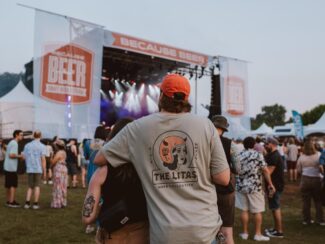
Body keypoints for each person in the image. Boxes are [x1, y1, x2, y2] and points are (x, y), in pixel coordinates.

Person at [93, 74, 230, 243]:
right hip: (205, 229)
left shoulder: (138, 128)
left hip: (166, 233)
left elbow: (99, 159)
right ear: (187, 99)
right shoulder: (205, 125)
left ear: (161, 96)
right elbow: (223, 178)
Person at [83, 118, 149, 244]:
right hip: (144, 233)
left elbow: (87, 218)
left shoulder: (102, 172)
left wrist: (100, 208)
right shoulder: (147, 169)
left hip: (113, 234)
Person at [235, 136, 275, 242]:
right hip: (255, 186)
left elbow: (235, 170)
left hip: (241, 186)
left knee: (244, 210)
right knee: (257, 211)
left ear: (244, 144)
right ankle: (257, 234)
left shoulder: (238, 155)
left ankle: (244, 233)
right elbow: (265, 170)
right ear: (254, 145)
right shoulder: (258, 155)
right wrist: (270, 184)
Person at [211, 115, 240, 244]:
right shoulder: (230, 144)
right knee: (227, 231)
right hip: (225, 190)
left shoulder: (202, 142)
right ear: (224, 129)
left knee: (208, 231)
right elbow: (238, 168)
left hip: (206, 189)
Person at [297, 140, 324, 225]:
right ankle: (320, 220)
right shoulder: (319, 155)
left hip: (305, 179)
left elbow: (299, 169)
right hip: (316, 179)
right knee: (318, 201)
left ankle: (306, 220)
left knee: (306, 201)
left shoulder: (302, 157)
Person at [264, 137, 285, 238]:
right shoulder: (272, 155)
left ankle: (279, 231)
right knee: (273, 207)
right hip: (274, 185)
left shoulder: (274, 156)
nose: (265, 145)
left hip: (274, 186)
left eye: (266, 144)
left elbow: (268, 172)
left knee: (275, 207)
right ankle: (276, 228)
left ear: (272, 144)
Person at [22, 130, 47, 209]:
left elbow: (23, 157)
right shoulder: (42, 146)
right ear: (40, 136)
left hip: (30, 168)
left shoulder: (27, 145)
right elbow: (43, 159)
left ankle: (27, 203)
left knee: (30, 186)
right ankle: (35, 204)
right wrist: (45, 171)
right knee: (37, 186)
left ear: (33, 136)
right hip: (38, 169)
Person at [3, 130, 24, 208]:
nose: (22, 136)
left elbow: (8, 152)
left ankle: (9, 201)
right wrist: (20, 156)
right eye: (21, 135)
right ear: (16, 135)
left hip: (8, 167)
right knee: (13, 185)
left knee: (8, 185)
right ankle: (11, 202)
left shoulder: (12, 142)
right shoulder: (14, 143)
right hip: (11, 168)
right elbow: (11, 155)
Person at [51, 140, 68, 208]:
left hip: (59, 169)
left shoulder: (59, 153)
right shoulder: (64, 152)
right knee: (63, 185)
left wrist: (51, 156)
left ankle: (57, 203)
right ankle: (63, 202)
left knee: (58, 185)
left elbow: (53, 162)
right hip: (64, 169)